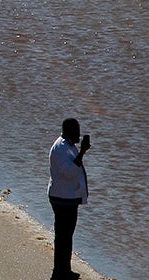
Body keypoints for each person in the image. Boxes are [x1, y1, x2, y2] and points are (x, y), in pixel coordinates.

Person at [48, 118, 91, 280]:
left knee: (66, 236)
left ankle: (64, 270)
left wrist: (80, 151)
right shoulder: (60, 148)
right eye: (76, 131)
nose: (79, 134)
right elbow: (70, 172)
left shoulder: (68, 145)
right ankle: (59, 272)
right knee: (63, 236)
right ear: (68, 131)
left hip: (67, 197)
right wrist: (82, 153)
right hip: (62, 199)